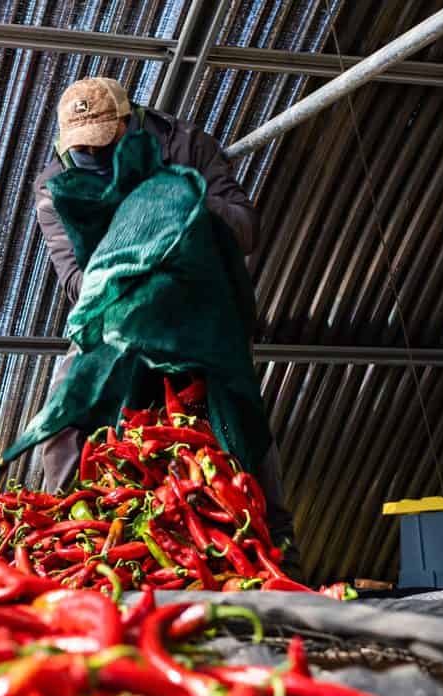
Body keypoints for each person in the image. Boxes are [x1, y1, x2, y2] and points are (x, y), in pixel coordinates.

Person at [32, 76, 297, 563]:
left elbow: (245, 224)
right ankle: (68, 527)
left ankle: (276, 537)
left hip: (199, 305)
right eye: (83, 148)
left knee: (234, 410)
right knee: (67, 405)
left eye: (104, 143)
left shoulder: (186, 144)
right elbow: (73, 278)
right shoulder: (57, 187)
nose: (95, 156)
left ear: (128, 124)